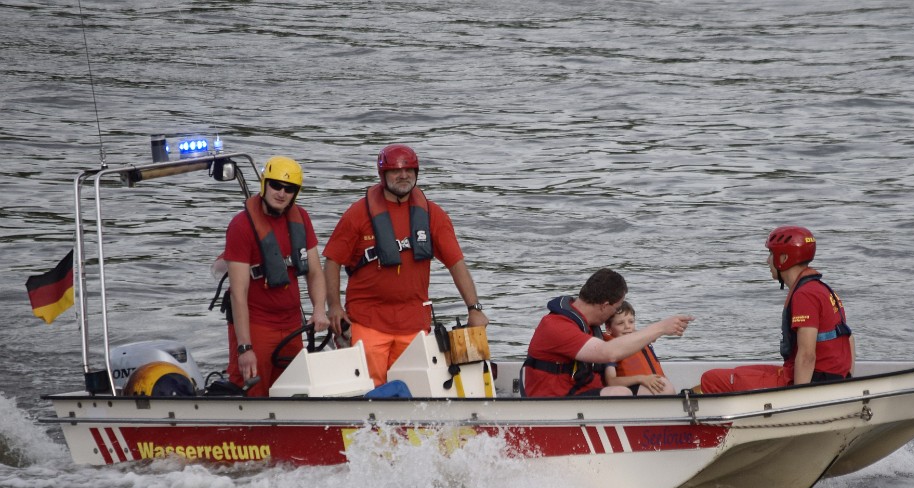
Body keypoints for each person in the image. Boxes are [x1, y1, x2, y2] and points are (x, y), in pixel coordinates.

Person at [323, 144, 488, 386]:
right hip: (367, 322)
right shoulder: (357, 214)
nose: (403, 175)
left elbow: (456, 264)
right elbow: (332, 261)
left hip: (414, 325)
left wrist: (474, 308)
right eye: (395, 171)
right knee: (369, 391)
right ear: (382, 175)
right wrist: (334, 306)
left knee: (414, 392)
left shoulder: (434, 215)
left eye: (409, 170)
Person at [698, 225, 854, 393]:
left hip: (810, 380)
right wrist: (848, 380)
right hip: (826, 377)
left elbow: (807, 355)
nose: (767, 261)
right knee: (738, 372)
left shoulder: (805, 295)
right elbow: (850, 338)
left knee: (712, 379)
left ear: (784, 257)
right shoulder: (821, 289)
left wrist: (799, 399)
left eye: (771, 254)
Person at [222, 156, 328, 397]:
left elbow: (315, 272)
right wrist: (245, 347)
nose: (281, 193)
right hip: (256, 325)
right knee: (253, 393)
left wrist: (319, 309)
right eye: (276, 185)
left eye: (289, 189)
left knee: (293, 394)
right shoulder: (241, 226)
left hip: (291, 324)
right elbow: (238, 294)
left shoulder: (302, 219)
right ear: (264, 184)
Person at [522, 268, 693, 397]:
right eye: (616, 308)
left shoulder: (589, 325)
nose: (614, 313)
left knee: (663, 387)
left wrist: (646, 337)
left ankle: (656, 438)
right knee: (620, 394)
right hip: (557, 401)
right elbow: (608, 353)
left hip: (589, 394)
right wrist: (661, 328)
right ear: (604, 305)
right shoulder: (557, 327)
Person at [602, 301, 675, 394]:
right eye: (620, 323)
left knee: (665, 384)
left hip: (652, 389)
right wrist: (641, 379)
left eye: (631, 322)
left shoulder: (641, 343)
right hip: (631, 389)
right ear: (608, 328)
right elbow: (611, 381)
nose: (627, 326)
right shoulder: (611, 348)